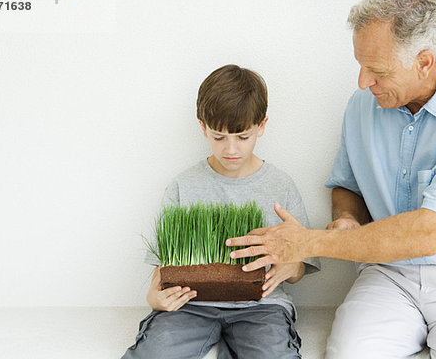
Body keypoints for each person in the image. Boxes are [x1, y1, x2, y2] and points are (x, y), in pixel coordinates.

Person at [227, 0, 436, 358]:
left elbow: (426, 235)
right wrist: (346, 218)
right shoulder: (361, 106)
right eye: (360, 65)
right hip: (389, 276)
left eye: (377, 70)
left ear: (424, 62)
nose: (362, 81)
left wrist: (309, 241)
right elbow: (347, 185)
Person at [121, 64, 320, 359]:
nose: (231, 149)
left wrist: (291, 267)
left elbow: (301, 264)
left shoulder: (281, 185)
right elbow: (163, 267)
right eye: (218, 137)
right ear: (203, 128)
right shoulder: (182, 186)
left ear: (261, 126)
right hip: (191, 306)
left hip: (261, 307)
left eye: (242, 137)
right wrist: (154, 297)